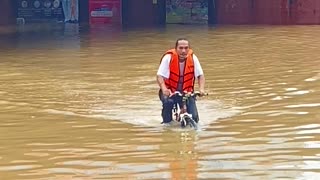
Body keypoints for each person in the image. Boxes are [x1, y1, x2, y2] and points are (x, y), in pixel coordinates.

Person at [156, 38, 205, 125]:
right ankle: (166, 124)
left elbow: (200, 75)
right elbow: (159, 76)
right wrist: (164, 89)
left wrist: (201, 89)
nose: (183, 51)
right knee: (168, 103)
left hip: (187, 92)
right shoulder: (168, 58)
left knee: (194, 117)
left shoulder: (193, 58)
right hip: (170, 91)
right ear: (176, 49)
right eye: (181, 48)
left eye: (186, 48)